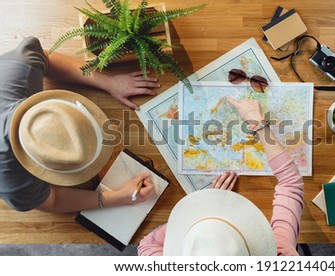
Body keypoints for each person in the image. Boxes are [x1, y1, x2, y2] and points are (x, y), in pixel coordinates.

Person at [0, 36, 161, 213]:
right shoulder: (13, 182)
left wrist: (109, 82)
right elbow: (51, 201)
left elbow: (45, 57)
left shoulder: (20, 67)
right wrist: (117, 197)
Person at [138, 97, 304, 256]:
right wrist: (257, 124)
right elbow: (290, 183)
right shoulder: (280, 256)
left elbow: (146, 245)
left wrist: (200, 211)